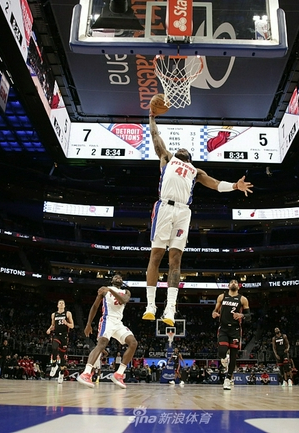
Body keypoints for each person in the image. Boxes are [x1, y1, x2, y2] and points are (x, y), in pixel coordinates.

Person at [143, 113, 254, 326]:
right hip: (164, 207)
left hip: (183, 212)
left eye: (185, 149)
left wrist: (235, 186)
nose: (182, 148)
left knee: (176, 259)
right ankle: (150, 305)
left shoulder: (195, 171)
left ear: (190, 157)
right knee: (156, 255)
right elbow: (155, 136)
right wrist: (152, 118)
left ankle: (170, 307)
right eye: (180, 148)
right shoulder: (167, 157)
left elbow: (215, 184)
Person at [77, 273, 138, 389]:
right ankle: (86, 373)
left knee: (133, 343)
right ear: (111, 280)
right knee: (102, 344)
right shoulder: (104, 291)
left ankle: (119, 374)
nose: (118, 278)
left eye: (120, 277)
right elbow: (95, 307)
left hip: (118, 322)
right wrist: (88, 324)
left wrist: (110, 290)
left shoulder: (126, 292)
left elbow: (123, 300)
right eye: (115, 277)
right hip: (107, 320)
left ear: (122, 281)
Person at [212, 279, 251, 390]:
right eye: (231, 282)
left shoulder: (243, 299)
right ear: (228, 286)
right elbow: (215, 311)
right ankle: (225, 357)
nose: (233, 283)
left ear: (238, 286)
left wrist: (241, 315)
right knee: (222, 352)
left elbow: (249, 316)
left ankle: (228, 379)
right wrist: (214, 313)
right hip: (223, 328)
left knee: (234, 356)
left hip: (235, 329)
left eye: (236, 282)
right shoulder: (222, 297)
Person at [46, 299, 74, 384]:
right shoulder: (54, 314)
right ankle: (54, 365)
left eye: (62, 303)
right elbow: (53, 325)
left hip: (64, 336)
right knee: (54, 348)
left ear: (64, 305)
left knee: (62, 356)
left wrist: (66, 323)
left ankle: (61, 374)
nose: (61, 304)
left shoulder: (68, 313)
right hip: (56, 334)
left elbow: (72, 326)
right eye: (60, 303)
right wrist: (49, 329)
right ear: (57, 305)